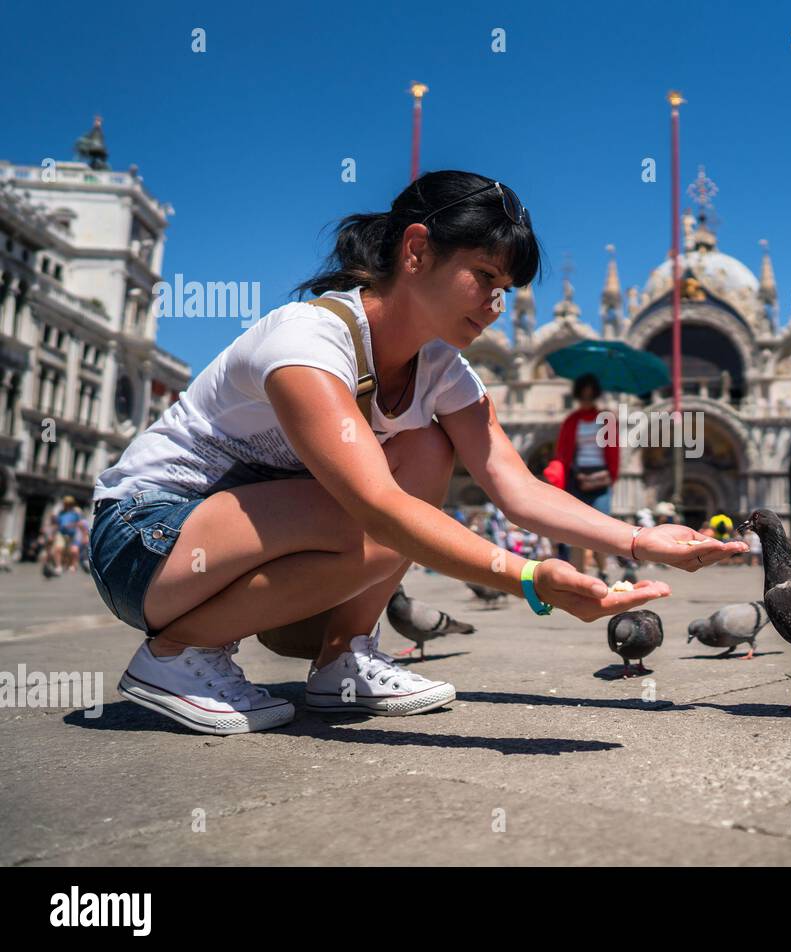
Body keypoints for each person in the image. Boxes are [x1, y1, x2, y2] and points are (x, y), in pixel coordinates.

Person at [88, 170, 746, 736]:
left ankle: (343, 658)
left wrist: (640, 541)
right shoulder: (309, 339)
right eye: (483, 276)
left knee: (428, 446)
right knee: (376, 510)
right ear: (416, 250)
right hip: (144, 541)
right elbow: (377, 506)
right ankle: (174, 655)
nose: (494, 305)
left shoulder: (441, 371)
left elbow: (515, 487)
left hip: (241, 549)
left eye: (506, 290)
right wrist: (525, 578)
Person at [544, 373, 619, 582]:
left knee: (601, 528)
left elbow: (614, 450)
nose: (586, 400)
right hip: (576, 477)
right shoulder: (571, 421)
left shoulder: (607, 419)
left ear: (595, 396)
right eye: (583, 396)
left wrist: (611, 476)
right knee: (577, 529)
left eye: (590, 396)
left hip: (601, 478)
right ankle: (580, 577)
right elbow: (562, 452)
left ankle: (603, 569)